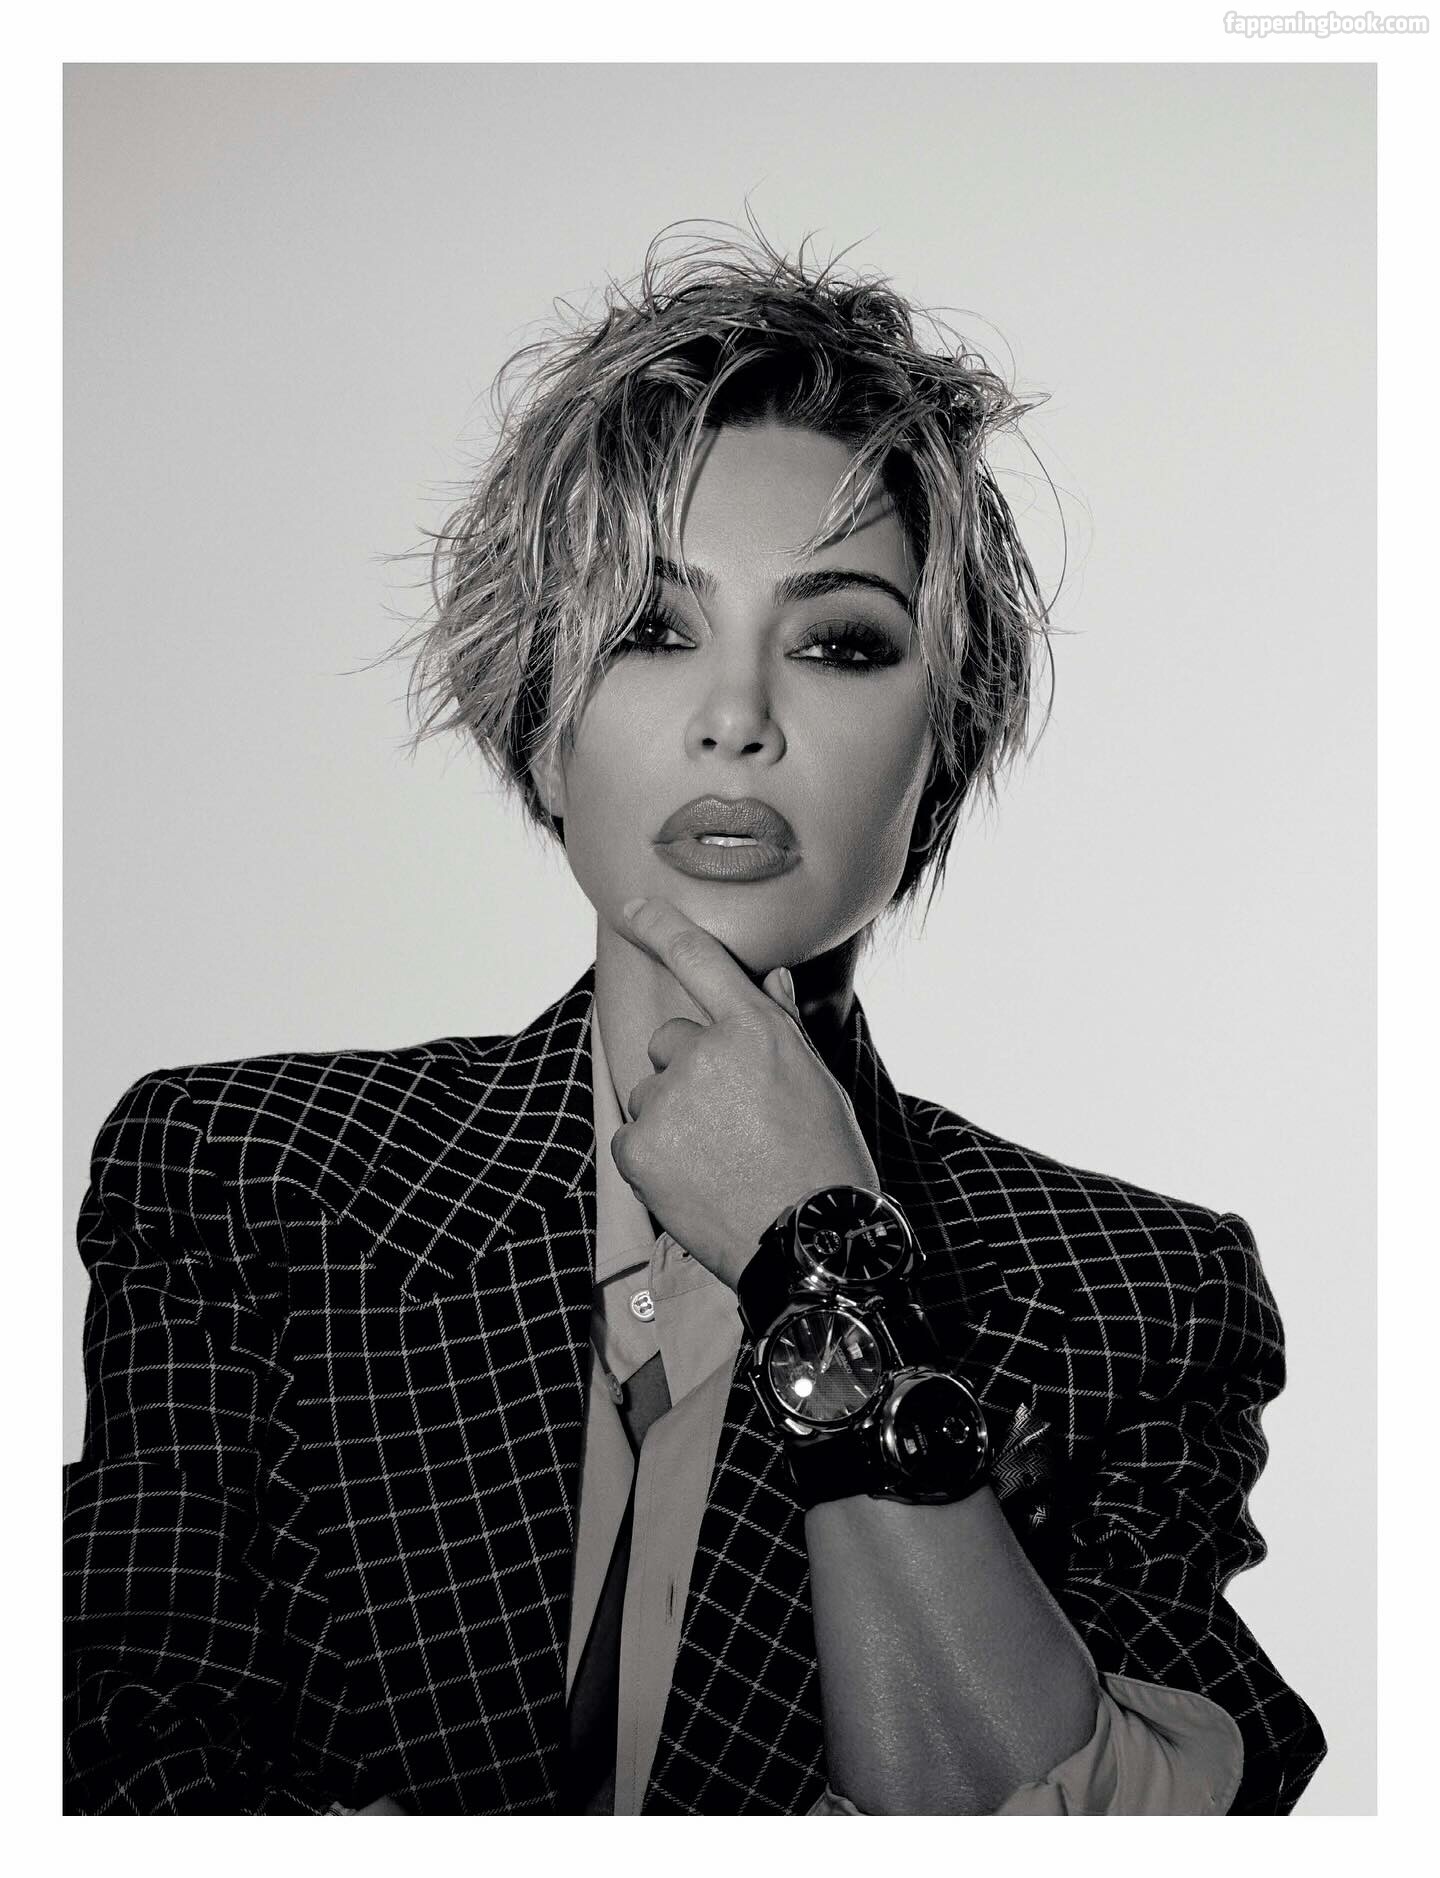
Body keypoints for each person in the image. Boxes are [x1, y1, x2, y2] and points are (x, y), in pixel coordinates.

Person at [63, 228, 1326, 1815]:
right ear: (543, 718)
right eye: (650, 629)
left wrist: (819, 1261)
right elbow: (120, 1763)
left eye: (840, 640)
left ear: (945, 739)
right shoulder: (244, 1176)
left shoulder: (1140, 1296)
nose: (737, 716)